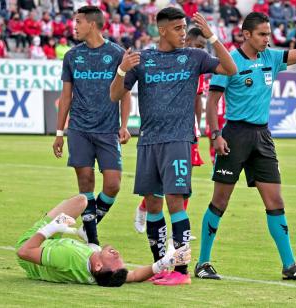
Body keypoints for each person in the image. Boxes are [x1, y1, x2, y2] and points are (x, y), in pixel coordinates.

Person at [110, 7, 236, 286]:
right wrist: (121, 70)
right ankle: (161, 266)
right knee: (153, 205)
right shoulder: (143, 59)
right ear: (163, 30)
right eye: (178, 28)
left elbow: (230, 68)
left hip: (178, 141)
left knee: (175, 202)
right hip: (148, 142)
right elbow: (115, 95)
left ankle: (181, 271)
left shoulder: (194, 57)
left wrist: (212, 37)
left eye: (184, 28)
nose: (183, 33)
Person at [196, 11, 296, 281]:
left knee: (275, 201)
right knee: (220, 201)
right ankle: (203, 262)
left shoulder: (272, 57)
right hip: (234, 135)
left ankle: (290, 265)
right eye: (263, 34)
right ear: (246, 35)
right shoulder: (230, 61)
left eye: (268, 34)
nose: (268, 39)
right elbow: (212, 101)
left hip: (262, 138)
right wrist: (215, 135)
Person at [52, 6, 132, 247]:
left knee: (113, 185)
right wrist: (59, 133)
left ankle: (89, 227)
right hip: (79, 129)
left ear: (93, 24)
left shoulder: (117, 53)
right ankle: (93, 241)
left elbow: (125, 93)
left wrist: (124, 125)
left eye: (78, 22)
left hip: (107, 130)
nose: (74, 26)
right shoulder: (72, 56)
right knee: (85, 182)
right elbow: (66, 97)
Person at [15, 195, 191, 286]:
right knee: (91, 242)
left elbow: (23, 252)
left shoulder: (67, 256)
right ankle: (85, 235)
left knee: (81, 201)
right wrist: (165, 262)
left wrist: (52, 227)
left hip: (32, 244)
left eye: (114, 258)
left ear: (98, 266)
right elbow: (135, 275)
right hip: (53, 254)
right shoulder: (105, 275)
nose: (117, 253)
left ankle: (75, 231)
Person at [133, 27, 208, 235]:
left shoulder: (195, 63)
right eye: (198, 45)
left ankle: (179, 225)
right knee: (160, 183)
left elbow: (198, 99)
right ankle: (143, 208)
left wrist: (197, 128)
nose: (200, 49)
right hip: (162, 132)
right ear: (189, 41)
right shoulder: (168, 62)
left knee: (184, 181)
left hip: (187, 129)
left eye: (203, 47)